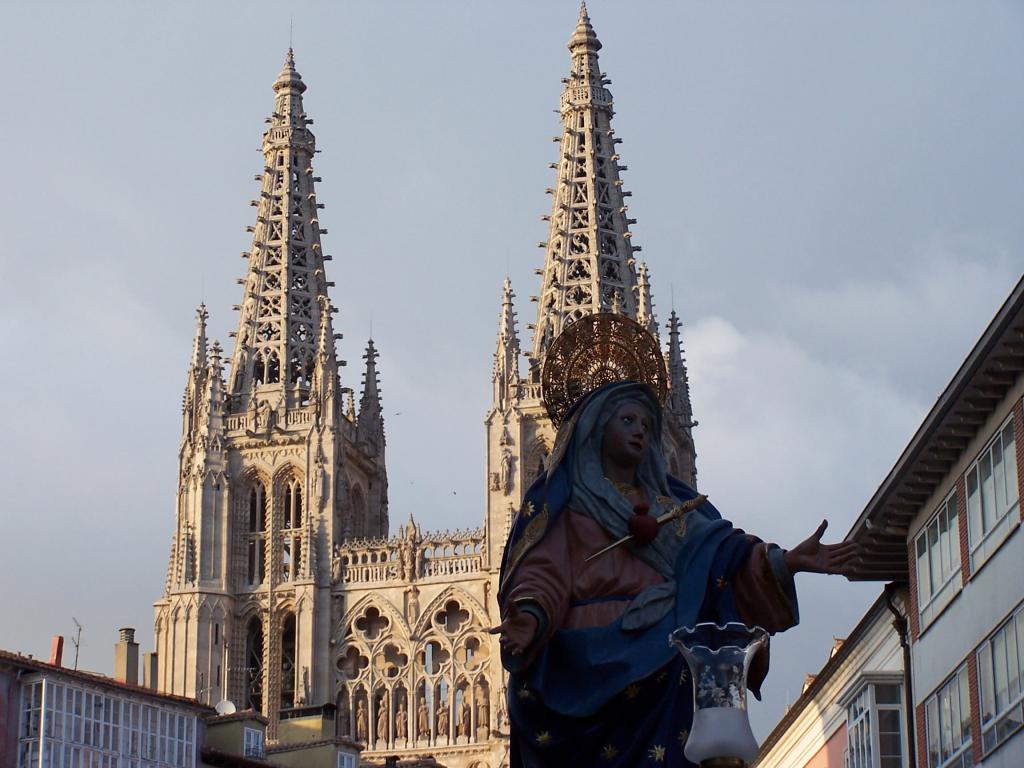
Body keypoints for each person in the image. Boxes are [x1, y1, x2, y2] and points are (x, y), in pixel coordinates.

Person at [490, 381, 857, 767]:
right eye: (627, 420)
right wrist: (530, 616)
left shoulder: (676, 509)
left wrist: (788, 562)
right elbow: (542, 574)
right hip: (583, 665)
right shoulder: (564, 508)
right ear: (596, 428)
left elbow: (726, 561)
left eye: (647, 425)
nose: (639, 431)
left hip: (665, 670)